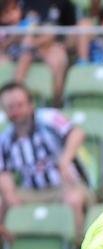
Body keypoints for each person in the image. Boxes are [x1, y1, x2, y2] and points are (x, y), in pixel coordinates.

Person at [0, 81, 89, 237]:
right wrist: (9, 194)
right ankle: (8, 248)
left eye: (19, 105)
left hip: (64, 186)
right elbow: (4, 171)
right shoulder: (5, 139)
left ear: (31, 104)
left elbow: (77, 133)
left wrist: (65, 159)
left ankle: (78, 246)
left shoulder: (49, 118)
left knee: (73, 200)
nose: (15, 111)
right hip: (31, 192)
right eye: (10, 107)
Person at [8, 0, 74, 104]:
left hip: (51, 46)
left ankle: (55, 103)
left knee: (59, 57)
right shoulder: (23, 2)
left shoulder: (63, 3)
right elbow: (15, 27)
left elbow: (72, 31)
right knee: (26, 49)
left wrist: (64, 44)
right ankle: (14, 97)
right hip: (23, 45)